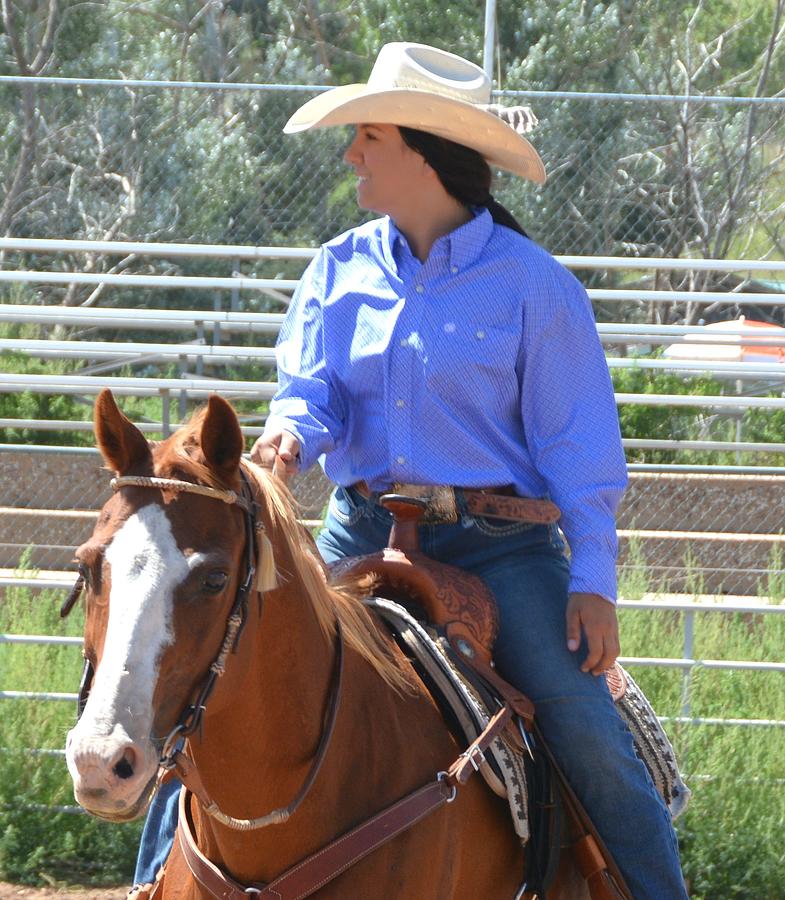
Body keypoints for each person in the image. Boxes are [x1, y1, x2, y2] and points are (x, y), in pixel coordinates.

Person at [250, 42, 689, 900]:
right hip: (362, 521)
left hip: (501, 547)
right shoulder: (336, 270)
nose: (350, 156)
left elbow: (577, 449)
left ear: (421, 150)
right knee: (225, 669)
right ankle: (158, 879)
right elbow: (309, 394)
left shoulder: (534, 288)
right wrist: (288, 438)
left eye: (367, 136)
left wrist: (592, 580)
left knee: (583, 728)